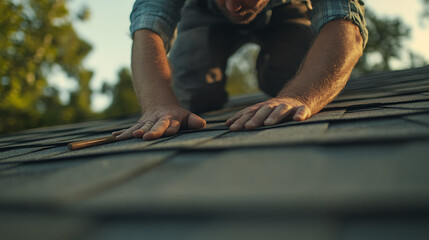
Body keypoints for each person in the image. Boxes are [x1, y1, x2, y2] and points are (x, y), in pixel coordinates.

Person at [113, 0, 368, 140]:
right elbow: (147, 28)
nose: (233, 6)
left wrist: (300, 95)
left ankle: (278, 71)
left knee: (295, 79)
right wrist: (157, 103)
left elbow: (346, 24)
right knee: (194, 96)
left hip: (286, 9)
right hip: (204, 12)